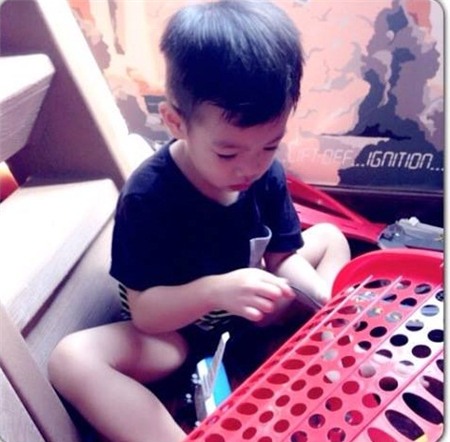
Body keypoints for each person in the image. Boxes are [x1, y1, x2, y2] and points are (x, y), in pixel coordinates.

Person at [48, 1, 351, 441]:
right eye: (227, 152)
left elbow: (284, 258)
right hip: (175, 334)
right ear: (176, 123)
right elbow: (146, 312)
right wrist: (216, 291)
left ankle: (325, 340)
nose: (251, 167)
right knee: (71, 359)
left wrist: (321, 300)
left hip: (249, 315)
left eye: (270, 146)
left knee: (331, 237)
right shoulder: (148, 196)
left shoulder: (265, 174)